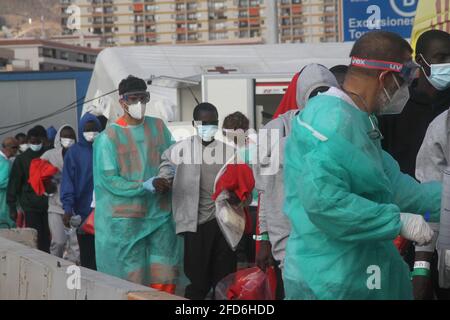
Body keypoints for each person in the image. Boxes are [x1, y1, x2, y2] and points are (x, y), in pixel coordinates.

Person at [283, 31, 440, 300]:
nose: (407, 91)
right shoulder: (330, 122)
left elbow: (390, 184)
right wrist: (397, 221)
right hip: (332, 279)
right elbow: (325, 203)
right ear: (385, 78)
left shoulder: (359, 120)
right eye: (404, 81)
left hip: (361, 273)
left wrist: (444, 199)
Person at [254, 63, 339, 300]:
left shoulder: (344, 126)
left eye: (327, 93)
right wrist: (264, 239)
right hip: (289, 241)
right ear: (302, 96)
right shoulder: (277, 130)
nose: (321, 100)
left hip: (333, 242)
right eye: (315, 94)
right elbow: (266, 191)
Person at [94, 75, 181, 293]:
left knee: (164, 271)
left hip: (160, 216)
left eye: (144, 98)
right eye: (134, 99)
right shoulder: (109, 138)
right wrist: (143, 185)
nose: (139, 104)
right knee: (131, 279)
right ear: (122, 101)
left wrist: (165, 177)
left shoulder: (158, 127)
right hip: (126, 222)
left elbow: (171, 158)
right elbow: (109, 180)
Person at [154, 102, 237, 299]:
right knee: (197, 284)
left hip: (225, 225)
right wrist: (163, 182)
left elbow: (243, 187)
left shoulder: (230, 153)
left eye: (213, 122)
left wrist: (238, 196)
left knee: (224, 283)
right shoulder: (179, 150)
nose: (208, 126)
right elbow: (166, 171)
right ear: (194, 123)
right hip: (196, 226)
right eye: (204, 123)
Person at [378, 30, 450, 178]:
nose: (448, 63)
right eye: (441, 57)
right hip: (403, 197)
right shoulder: (394, 108)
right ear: (421, 60)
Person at [61, 112, 101, 270]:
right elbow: (68, 182)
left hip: (105, 211)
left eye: (94, 129)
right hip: (83, 212)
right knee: (87, 254)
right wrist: (67, 208)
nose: (91, 132)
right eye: (87, 129)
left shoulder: (105, 148)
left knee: (104, 254)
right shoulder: (74, 153)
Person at [7, 127, 51, 252]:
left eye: (38, 142)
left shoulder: (48, 155)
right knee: (34, 238)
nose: (35, 144)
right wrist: (12, 207)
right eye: (33, 142)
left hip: (49, 204)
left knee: (47, 239)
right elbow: (14, 183)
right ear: (28, 141)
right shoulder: (22, 159)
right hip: (30, 205)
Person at [41, 125, 79, 262]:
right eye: (65, 136)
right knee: (58, 242)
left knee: (76, 247)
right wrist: (47, 187)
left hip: (75, 207)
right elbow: (37, 175)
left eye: (71, 137)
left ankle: (76, 273)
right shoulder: (49, 155)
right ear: (59, 138)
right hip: (55, 206)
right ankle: (53, 265)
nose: (68, 139)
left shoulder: (79, 154)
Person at [0, 137, 19, 228]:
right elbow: (2, 182)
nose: (17, 150)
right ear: (7, 148)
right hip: (3, 200)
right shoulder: (5, 163)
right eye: (15, 147)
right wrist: (17, 181)